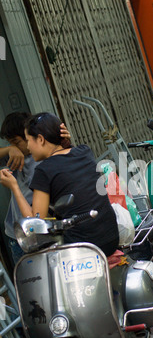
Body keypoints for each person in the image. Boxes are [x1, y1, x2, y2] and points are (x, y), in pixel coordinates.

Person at [0, 112, 119, 257]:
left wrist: (14, 187)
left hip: (82, 249)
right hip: (111, 238)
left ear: (41, 139)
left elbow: (35, 224)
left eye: (28, 140)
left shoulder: (44, 170)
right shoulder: (84, 151)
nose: (29, 147)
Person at [0, 112, 71, 264]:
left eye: (16, 142)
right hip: (18, 234)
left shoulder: (47, 158)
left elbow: (35, 218)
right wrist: (9, 150)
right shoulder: (15, 155)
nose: (14, 146)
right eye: (10, 142)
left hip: (44, 229)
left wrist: (64, 142)